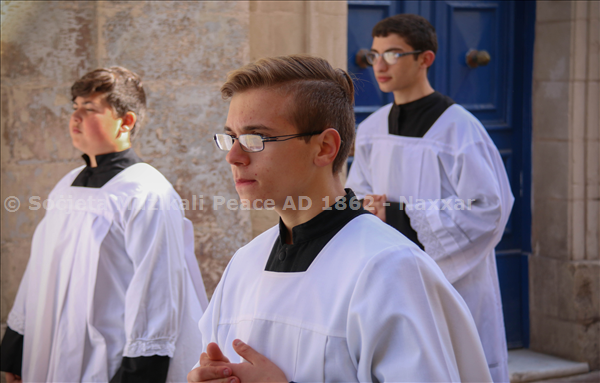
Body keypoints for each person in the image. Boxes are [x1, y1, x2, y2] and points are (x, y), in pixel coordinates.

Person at [187, 55, 492, 383]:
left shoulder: (389, 268)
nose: (234, 156)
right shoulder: (244, 263)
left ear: (324, 147)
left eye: (254, 138)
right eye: (230, 137)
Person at [0, 66, 209, 383]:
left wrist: (137, 375)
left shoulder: (146, 192)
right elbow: (38, 271)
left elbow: (156, 294)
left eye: (90, 108)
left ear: (126, 122)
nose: (75, 118)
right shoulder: (67, 185)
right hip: (50, 353)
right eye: (75, 107)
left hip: (109, 362)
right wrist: (14, 354)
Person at [345, 14, 514, 382]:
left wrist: (399, 213)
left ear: (426, 59)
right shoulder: (372, 127)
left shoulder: (459, 128)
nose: (380, 65)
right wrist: (366, 208)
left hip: (456, 281)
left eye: (393, 53)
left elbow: (490, 209)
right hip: (390, 273)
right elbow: (357, 191)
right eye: (374, 54)